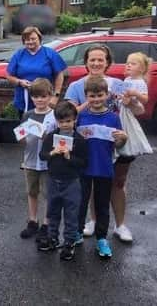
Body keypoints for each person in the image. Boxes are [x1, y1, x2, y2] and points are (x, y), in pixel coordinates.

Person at [64, 44, 124, 239]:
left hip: (110, 141)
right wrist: (89, 103)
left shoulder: (117, 84)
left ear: (107, 62)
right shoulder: (75, 86)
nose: (96, 63)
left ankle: (120, 226)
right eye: (92, 59)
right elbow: (68, 116)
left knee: (116, 185)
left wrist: (132, 101)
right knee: (84, 190)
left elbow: (133, 111)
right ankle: (90, 223)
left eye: (101, 59)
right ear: (86, 62)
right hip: (86, 146)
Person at [76, 77, 127, 259]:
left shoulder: (113, 118)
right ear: (86, 96)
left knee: (102, 205)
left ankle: (101, 239)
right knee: (80, 203)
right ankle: (77, 233)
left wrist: (123, 138)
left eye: (100, 95)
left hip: (104, 168)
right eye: (92, 96)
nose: (96, 99)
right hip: (83, 168)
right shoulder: (80, 116)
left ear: (106, 95)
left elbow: (118, 145)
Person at [38, 101, 87, 261]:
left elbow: (83, 162)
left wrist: (69, 157)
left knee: (71, 213)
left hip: (71, 181)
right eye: (61, 121)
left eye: (68, 121)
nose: (65, 125)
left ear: (75, 120)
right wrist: (52, 153)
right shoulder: (51, 136)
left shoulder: (79, 140)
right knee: (52, 211)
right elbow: (42, 155)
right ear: (56, 121)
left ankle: (69, 243)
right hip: (53, 180)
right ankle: (53, 238)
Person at [111, 52, 152, 242]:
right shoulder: (125, 79)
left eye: (132, 63)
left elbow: (141, 105)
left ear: (142, 68)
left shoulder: (139, 83)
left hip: (125, 122)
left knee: (119, 179)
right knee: (97, 180)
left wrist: (131, 100)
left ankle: (120, 224)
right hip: (110, 125)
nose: (128, 66)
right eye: (127, 63)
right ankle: (94, 221)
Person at [18, 78, 57, 242]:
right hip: (30, 160)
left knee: (48, 193)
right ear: (32, 97)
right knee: (32, 191)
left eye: (43, 96)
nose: (40, 100)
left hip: (48, 161)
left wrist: (46, 137)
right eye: (36, 97)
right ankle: (33, 220)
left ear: (50, 96)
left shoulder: (54, 116)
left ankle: (47, 224)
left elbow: (57, 137)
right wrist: (20, 138)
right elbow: (21, 137)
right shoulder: (27, 115)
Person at [6, 26, 67, 117]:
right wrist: (19, 81)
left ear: (39, 39)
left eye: (33, 39)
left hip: (45, 100)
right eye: (27, 39)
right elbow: (9, 76)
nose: (30, 41)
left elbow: (59, 74)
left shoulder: (50, 53)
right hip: (24, 100)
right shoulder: (19, 55)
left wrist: (55, 96)